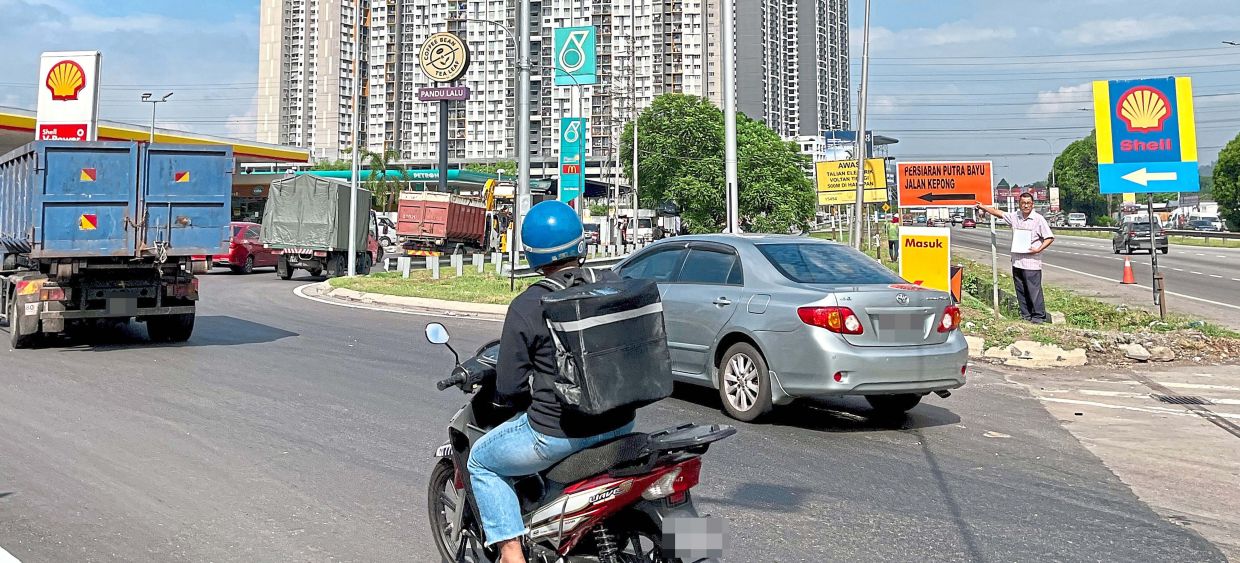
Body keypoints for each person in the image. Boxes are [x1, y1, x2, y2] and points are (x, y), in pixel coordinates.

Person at [467, 200, 637, 563]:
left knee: (480, 462)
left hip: (560, 434)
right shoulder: (613, 283)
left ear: (532, 253)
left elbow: (510, 388)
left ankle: (512, 555)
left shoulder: (528, 306)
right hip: (623, 421)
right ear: (581, 242)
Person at [975, 193, 1056, 323]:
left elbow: (1049, 238)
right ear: (1019, 204)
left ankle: (1038, 317)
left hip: (1031, 263)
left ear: (1032, 204)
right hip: (1017, 262)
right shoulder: (1015, 217)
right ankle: (1026, 316)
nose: (1026, 206)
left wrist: (1038, 249)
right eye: (1023, 203)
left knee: (1034, 291)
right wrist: (983, 207)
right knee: (1021, 291)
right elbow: (998, 213)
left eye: (1028, 203)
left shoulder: (1038, 219)